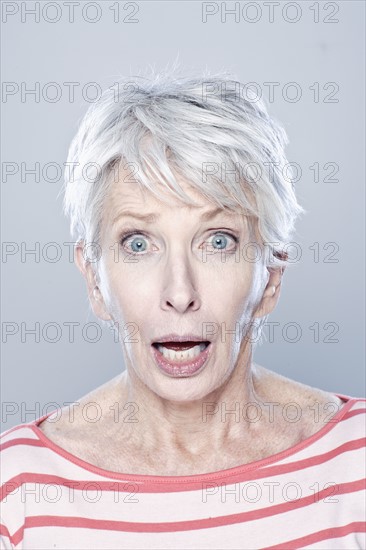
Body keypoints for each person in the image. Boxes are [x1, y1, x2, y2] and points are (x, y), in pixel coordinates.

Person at [1, 68, 365, 549]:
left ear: (271, 275)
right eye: (137, 243)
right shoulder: (19, 488)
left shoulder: (356, 462)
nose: (179, 291)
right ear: (93, 277)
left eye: (217, 241)